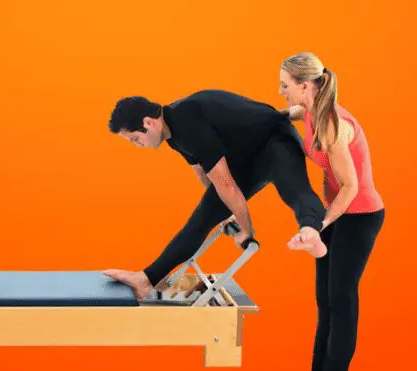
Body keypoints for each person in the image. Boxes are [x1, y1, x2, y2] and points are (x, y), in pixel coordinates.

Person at [103, 89, 328, 300]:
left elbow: (227, 186)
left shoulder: (187, 122)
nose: (137, 146)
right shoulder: (173, 133)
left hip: (275, 139)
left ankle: (310, 230)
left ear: (148, 123)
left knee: (294, 190)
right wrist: (222, 210)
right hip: (246, 155)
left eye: (134, 139)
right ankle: (147, 279)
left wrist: (246, 230)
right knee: (202, 217)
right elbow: (204, 175)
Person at [278, 52, 385, 371]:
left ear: (306, 86)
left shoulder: (331, 126)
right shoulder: (310, 109)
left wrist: (321, 224)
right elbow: (291, 113)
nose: (281, 90)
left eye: (285, 85)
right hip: (339, 213)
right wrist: (261, 117)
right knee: (324, 302)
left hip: (360, 216)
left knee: (340, 298)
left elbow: (350, 187)